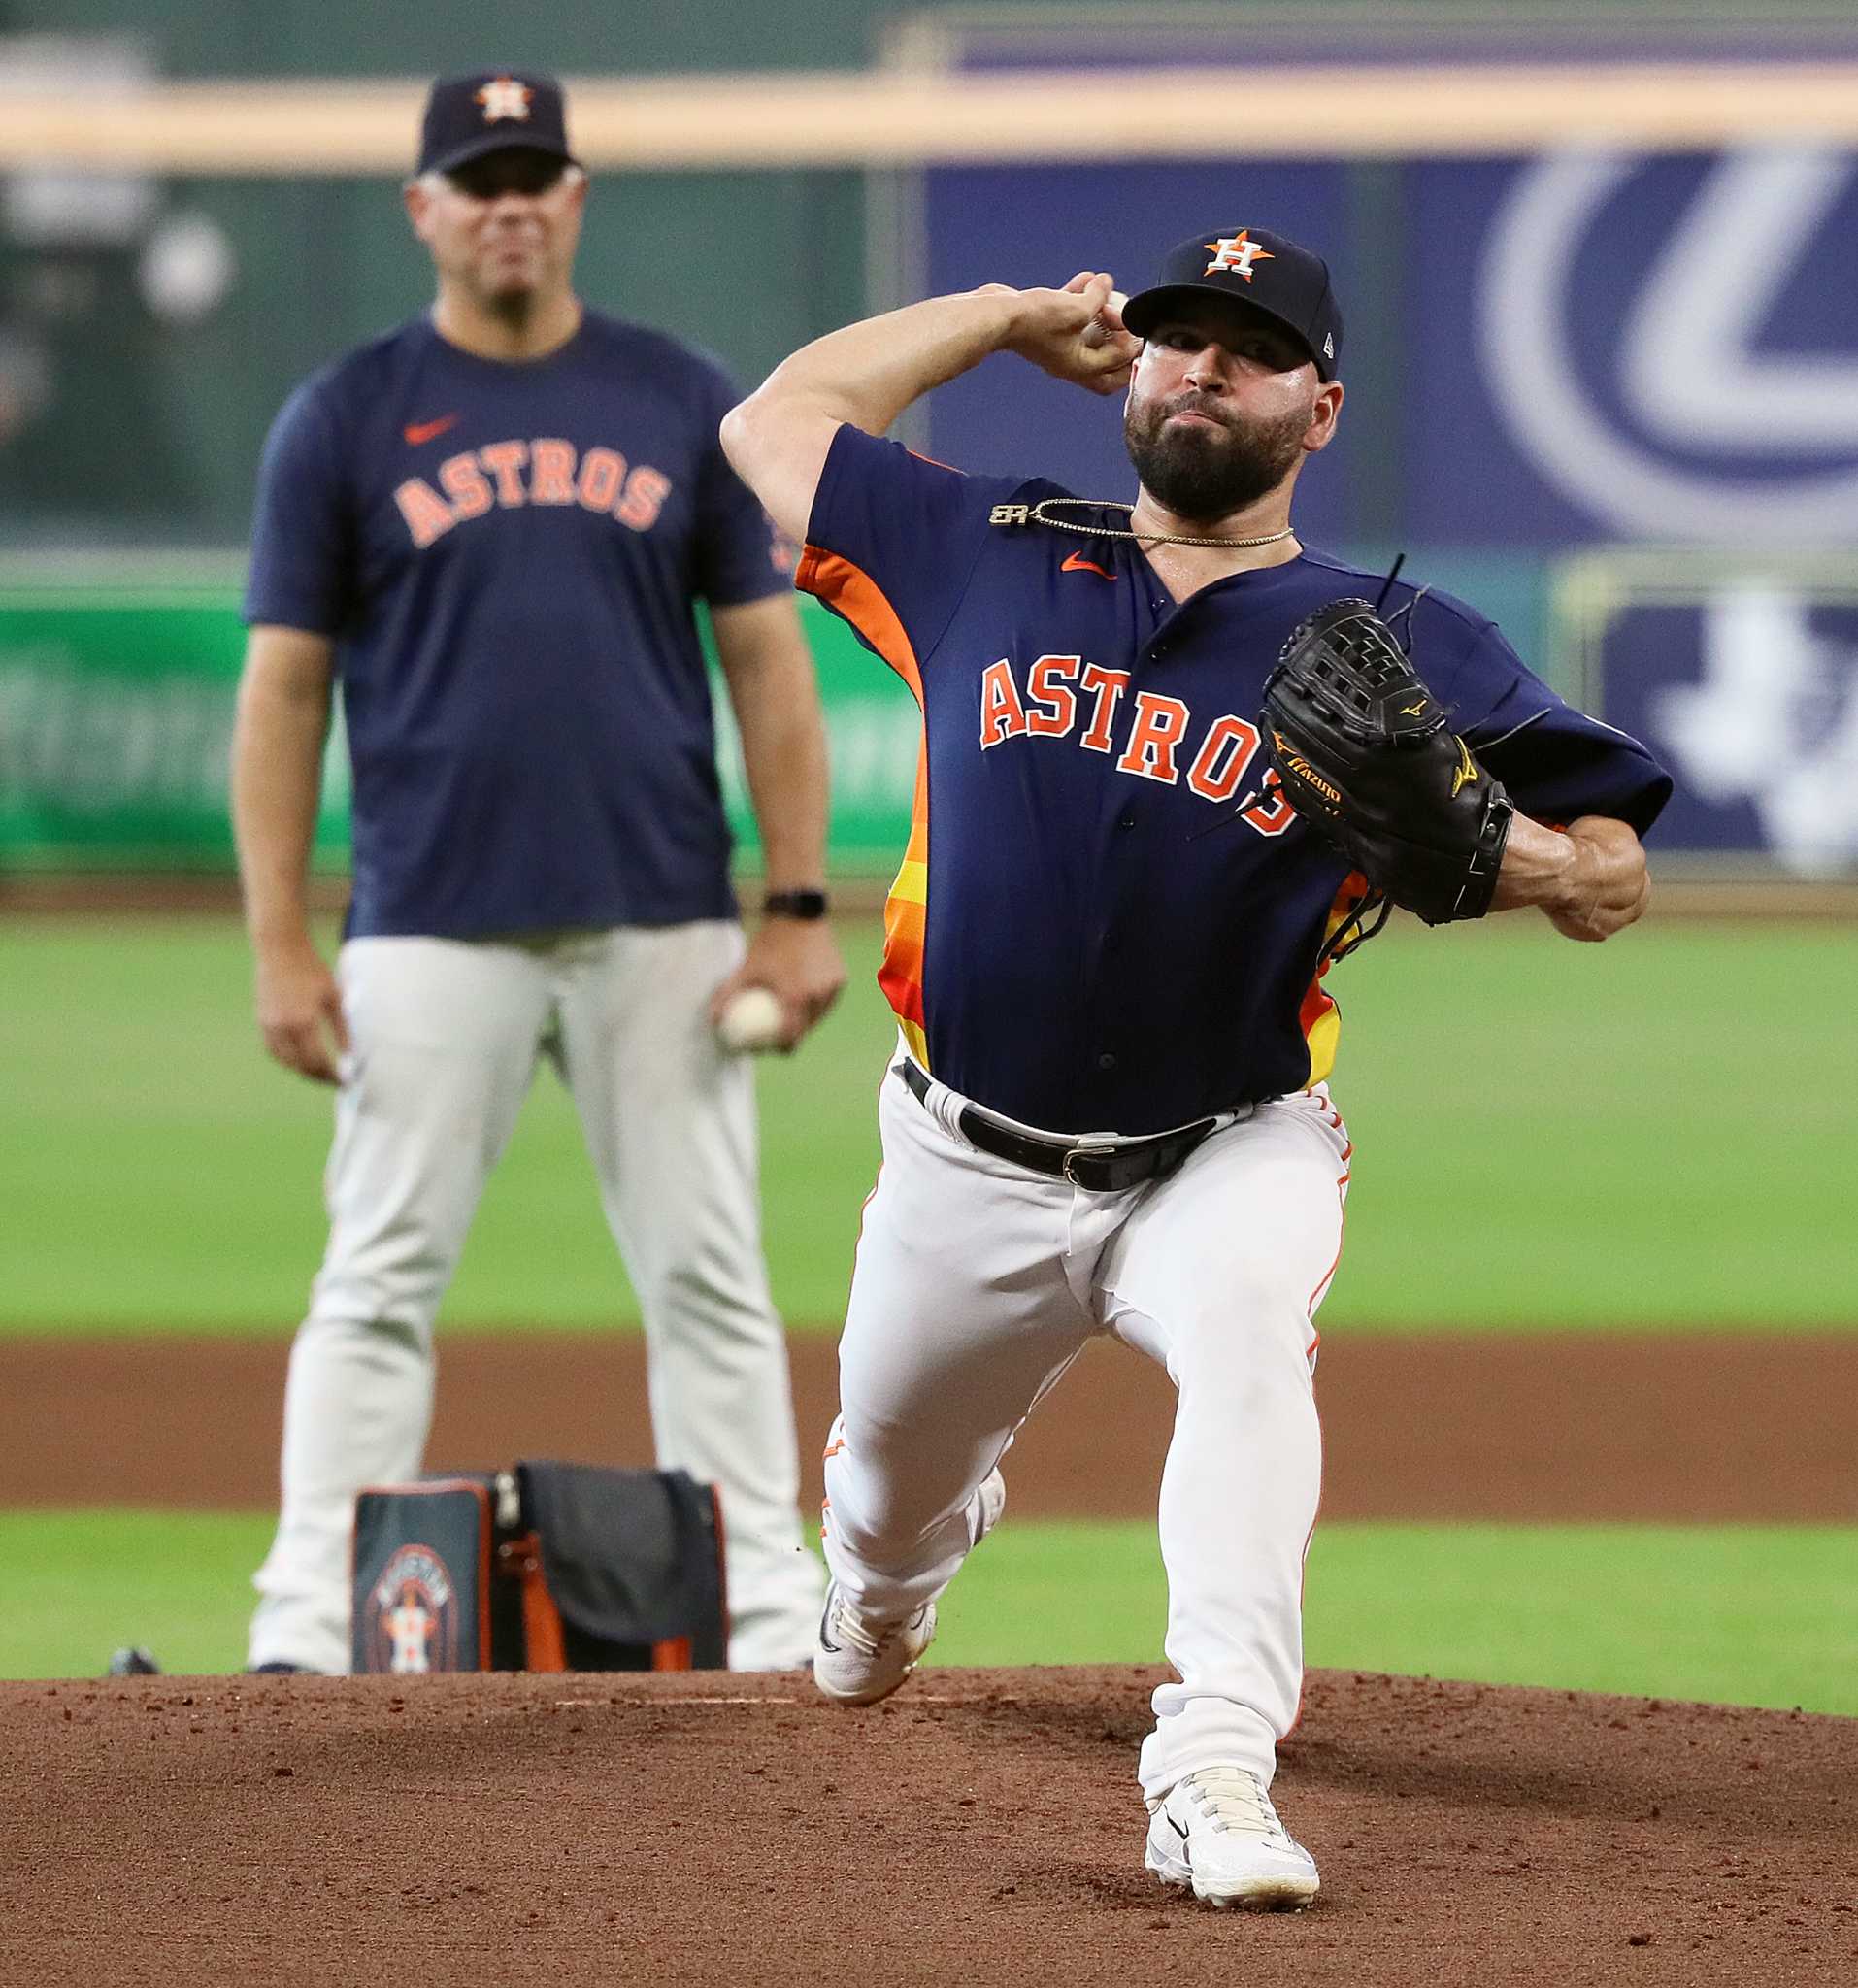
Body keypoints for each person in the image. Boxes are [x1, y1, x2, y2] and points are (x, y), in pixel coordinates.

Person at [720, 227, 1670, 1905]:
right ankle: (882, 1589)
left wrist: (1501, 855)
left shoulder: (1405, 640)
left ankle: (1214, 1767)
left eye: (1246, 346)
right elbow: (770, 423)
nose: (1200, 366)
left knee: (1246, 1344)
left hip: (1228, 1141)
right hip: (962, 1154)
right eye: (1175, 337)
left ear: (1319, 407)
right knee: (877, 1505)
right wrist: (1008, 318)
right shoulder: (981, 547)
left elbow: (1611, 870)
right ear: (1130, 369)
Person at [231, 69, 844, 1676]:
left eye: (535, 176)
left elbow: (767, 666)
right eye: (475, 178)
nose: (509, 203)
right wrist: (279, 945)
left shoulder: (673, 395)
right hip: (429, 923)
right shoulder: (346, 415)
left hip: (664, 923)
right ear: (422, 209)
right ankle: (307, 1623)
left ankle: (768, 1622)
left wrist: (791, 911)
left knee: (709, 1279)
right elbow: (284, 690)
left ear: (574, 200)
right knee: (375, 1278)